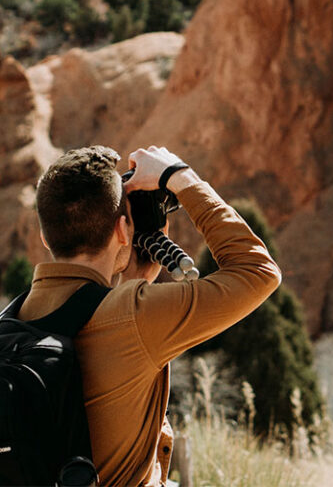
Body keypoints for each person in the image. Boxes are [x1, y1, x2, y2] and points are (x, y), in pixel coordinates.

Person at [17, 144, 282, 486]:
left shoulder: (13, 318)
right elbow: (258, 270)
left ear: (44, 236)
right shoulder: (135, 315)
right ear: (122, 230)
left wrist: (135, 279)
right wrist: (180, 176)